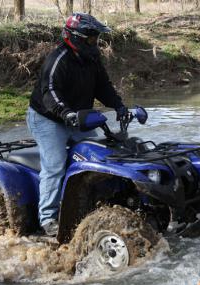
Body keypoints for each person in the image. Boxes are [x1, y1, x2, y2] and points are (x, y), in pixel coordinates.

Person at [27, 12, 129, 236]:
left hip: (76, 117)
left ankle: (93, 203)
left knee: (100, 154)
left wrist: (119, 106)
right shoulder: (58, 59)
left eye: (96, 39)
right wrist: (65, 113)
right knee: (55, 164)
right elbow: (49, 92)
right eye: (91, 39)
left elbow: (103, 86)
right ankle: (48, 218)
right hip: (48, 118)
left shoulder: (91, 58)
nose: (94, 43)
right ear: (76, 37)